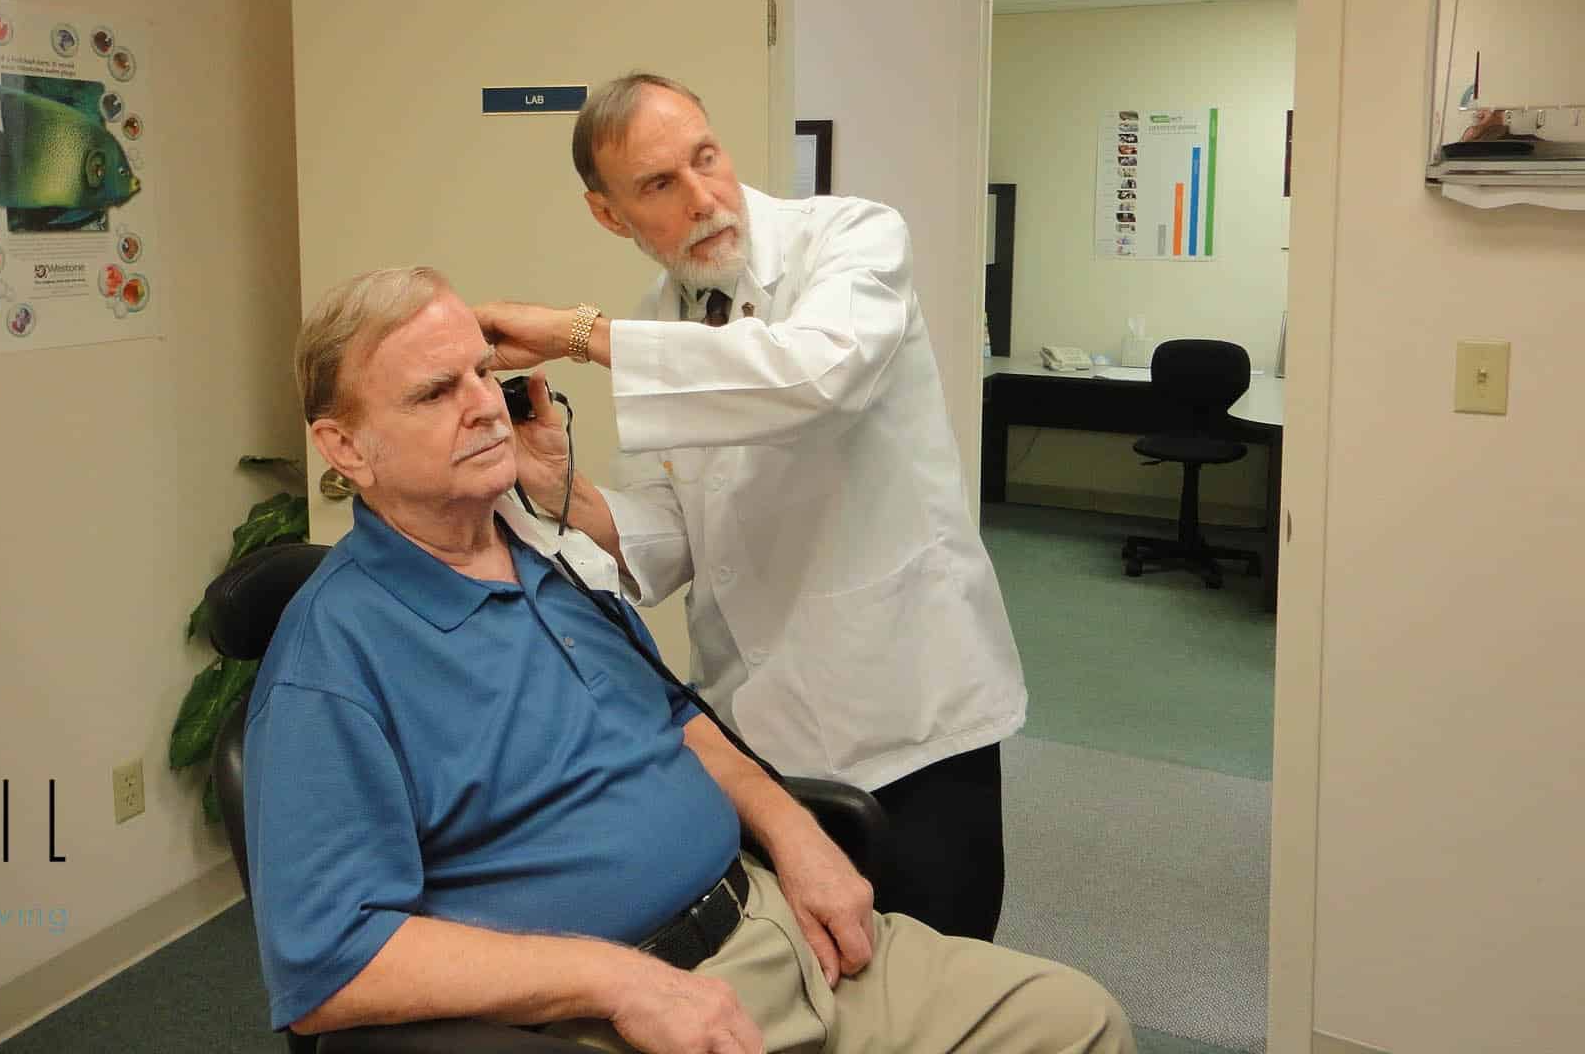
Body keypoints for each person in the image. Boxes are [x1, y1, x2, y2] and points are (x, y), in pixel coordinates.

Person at [243, 266, 1132, 1054]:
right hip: (620, 1014)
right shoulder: (333, 661)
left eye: (484, 369)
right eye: (435, 392)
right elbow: (333, 964)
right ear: (345, 447)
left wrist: (795, 833)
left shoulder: (546, 553)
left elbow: (672, 720)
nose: (482, 403)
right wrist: (617, 983)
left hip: (774, 926)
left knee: (1076, 1021)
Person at [474, 72, 1027, 941]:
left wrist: (576, 335)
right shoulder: (664, 317)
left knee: (935, 977)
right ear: (609, 215)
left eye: (706, 158)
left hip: (905, 711)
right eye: (659, 185)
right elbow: (670, 537)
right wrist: (560, 490)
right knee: (814, 980)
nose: (703, 198)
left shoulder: (851, 238)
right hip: (756, 725)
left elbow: (815, 374)